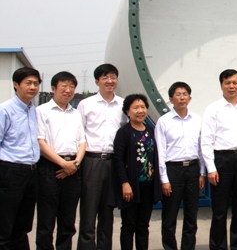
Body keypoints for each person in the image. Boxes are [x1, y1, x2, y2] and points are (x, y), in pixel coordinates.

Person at [202, 70, 237, 250]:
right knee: (219, 208)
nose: (231, 86)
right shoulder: (213, 109)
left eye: (235, 82)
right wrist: (211, 168)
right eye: (227, 83)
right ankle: (218, 246)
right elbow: (206, 140)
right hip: (222, 160)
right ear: (221, 85)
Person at [77, 63, 128, 250]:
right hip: (92, 161)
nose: (110, 81)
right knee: (89, 213)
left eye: (113, 77)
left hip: (114, 162)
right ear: (97, 81)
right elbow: (79, 134)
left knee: (108, 214)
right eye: (105, 77)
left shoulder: (123, 105)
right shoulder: (86, 104)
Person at [36, 71, 86, 250]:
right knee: (46, 221)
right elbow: (40, 142)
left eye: (72, 87)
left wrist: (75, 164)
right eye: (64, 86)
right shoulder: (42, 111)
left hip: (73, 168)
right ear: (53, 88)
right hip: (50, 168)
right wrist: (63, 164)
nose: (68, 90)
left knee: (68, 221)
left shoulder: (76, 113)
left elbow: (82, 141)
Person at [155, 82, 205, 250]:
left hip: (193, 169)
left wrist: (202, 173)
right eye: (178, 94)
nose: (182, 98)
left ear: (190, 98)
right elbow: (161, 152)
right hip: (173, 170)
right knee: (170, 215)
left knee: (191, 215)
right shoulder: (163, 122)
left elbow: (201, 148)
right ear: (171, 99)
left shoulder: (197, 120)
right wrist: (164, 180)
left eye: (185, 94)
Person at [110, 94, 161, 250]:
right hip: (131, 187)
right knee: (129, 225)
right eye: (135, 107)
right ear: (128, 111)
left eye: (143, 107)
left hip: (148, 186)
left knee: (143, 226)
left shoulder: (151, 130)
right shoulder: (124, 132)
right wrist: (125, 183)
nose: (140, 111)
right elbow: (118, 159)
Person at [0, 67, 42, 249]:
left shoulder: (32, 110)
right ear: (16, 85)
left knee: (23, 225)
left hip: (31, 172)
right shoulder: (5, 110)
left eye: (36, 83)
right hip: (10, 171)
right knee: (4, 224)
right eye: (28, 83)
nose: (33, 87)